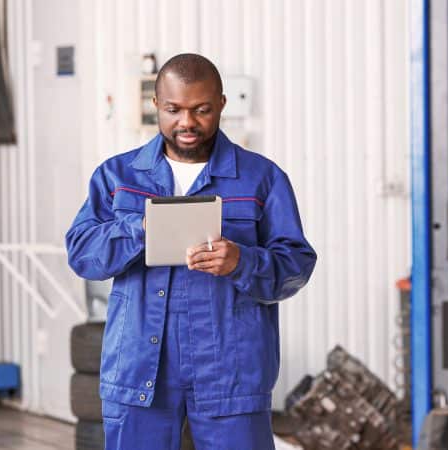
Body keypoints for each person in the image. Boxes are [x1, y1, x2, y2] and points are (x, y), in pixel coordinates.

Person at [66, 53, 317, 450]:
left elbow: (297, 266)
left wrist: (243, 261)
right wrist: (139, 229)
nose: (187, 122)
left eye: (201, 109)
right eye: (174, 109)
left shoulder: (261, 179)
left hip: (231, 372)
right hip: (140, 367)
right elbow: (82, 254)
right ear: (156, 106)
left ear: (221, 104)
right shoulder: (118, 177)